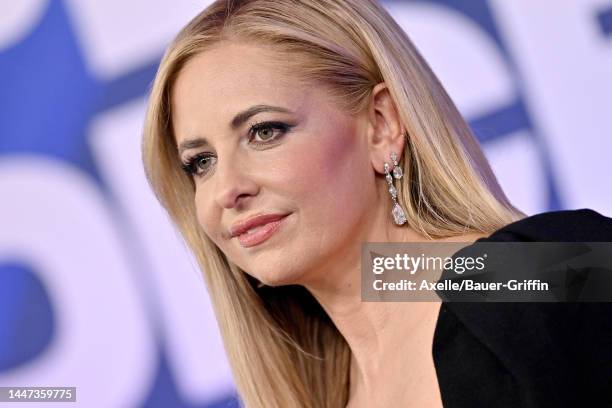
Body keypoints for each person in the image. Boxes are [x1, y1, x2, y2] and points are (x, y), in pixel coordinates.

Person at [140, 0, 612, 407]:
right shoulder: (323, 394)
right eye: (200, 162)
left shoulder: (533, 274)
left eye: (265, 132)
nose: (227, 190)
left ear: (382, 125)